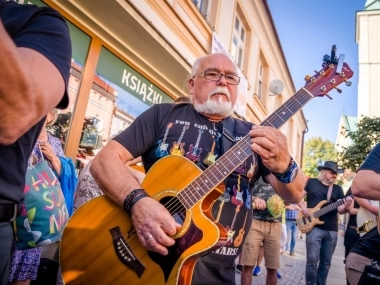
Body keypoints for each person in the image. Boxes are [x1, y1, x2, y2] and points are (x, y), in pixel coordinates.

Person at [90, 53, 305, 284]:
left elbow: (295, 193)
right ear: (192, 83)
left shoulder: (253, 135)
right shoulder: (163, 115)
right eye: (212, 74)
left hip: (218, 275)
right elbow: (104, 161)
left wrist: (286, 165)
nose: (223, 81)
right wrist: (138, 203)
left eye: (231, 77)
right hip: (147, 262)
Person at [0, 1, 71, 283]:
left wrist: (52, 159)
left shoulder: (41, 23)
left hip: (24, 218)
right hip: (22, 216)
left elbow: (13, 115)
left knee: (23, 275)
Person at [8, 109, 68, 285]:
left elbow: (62, 178)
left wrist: (54, 159)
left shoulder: (54, 143)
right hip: (17, 211)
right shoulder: (24, 132)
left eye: (47, 111)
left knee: (24, 272)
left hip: (37, 214)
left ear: (51, 116)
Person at [300, 161, 353, 285]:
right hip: (313, 228)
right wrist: (302, 206)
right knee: (312, 261)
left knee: (326, 263)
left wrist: (347, 206)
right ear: (324, 172)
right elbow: (298, 196)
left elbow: (340, 210)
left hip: (331, 230)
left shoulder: (338, 189)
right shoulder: (311, 182)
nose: (334, 175)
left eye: (336, 173)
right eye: (332, 172)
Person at [345, 142, 380, 285]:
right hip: (361, 224)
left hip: (370, 221)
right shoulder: (366, 179)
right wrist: (373, 209)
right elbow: (355, 195)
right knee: (357, 247)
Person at [239, 177, 285, 285]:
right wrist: (255, 198)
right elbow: (242, 191)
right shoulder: (256, 171)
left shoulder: (283, 177)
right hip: (254, 222)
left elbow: (290, 198)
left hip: (275, 225)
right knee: (248, 265)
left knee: (272, 268)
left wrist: (287, 199)